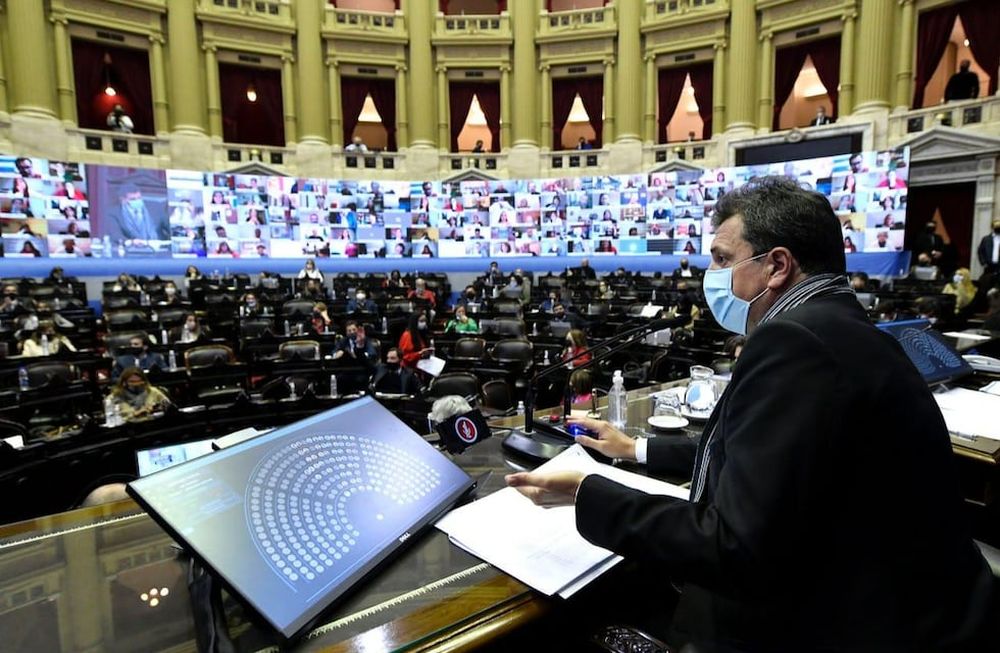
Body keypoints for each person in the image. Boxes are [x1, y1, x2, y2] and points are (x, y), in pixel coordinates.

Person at [506, 176, 997, 651]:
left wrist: (586, 493)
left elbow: (733, 546)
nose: (711, 275)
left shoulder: (793, 341)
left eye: (722, 259)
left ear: (777, 265)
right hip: (919, 608)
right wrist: (636, 448)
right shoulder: (847, 329)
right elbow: (766, 456)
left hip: (853, 625)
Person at [104, 182, 168, 243]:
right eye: (133, 199)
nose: (137, 201)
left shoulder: (156, 207)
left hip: (159, 246)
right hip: (133, 248)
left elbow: (169, 227)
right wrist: (131, 242)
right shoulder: (114, 213)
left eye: (139, 198)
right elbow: (116, 235)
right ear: (123, 200)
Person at [107, 368, 172, 422]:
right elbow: (113, 419)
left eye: (139, 381)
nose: (136, 384)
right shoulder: (115, 397)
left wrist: (158, 408)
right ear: (124, 382)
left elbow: (168, 406)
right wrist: (136, 414)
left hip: (153, 424)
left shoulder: (152, 391)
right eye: (132, 382)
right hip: (128, 428)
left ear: (144, 381)